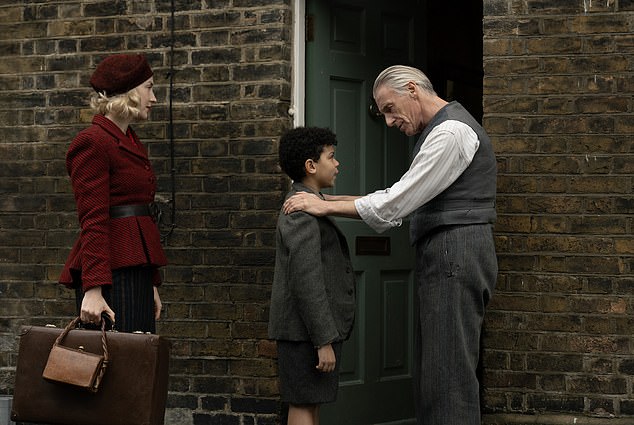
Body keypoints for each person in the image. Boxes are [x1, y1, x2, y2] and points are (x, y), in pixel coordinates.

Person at [283, 65, 497, 425]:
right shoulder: (438, 132)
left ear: (412, 89)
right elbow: (392, 196)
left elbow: (395, 202)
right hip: (448, 254)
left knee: (447, 378)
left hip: (455, 253)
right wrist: (326, 203)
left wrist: (323, 205)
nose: (388, 121)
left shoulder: (451, 133)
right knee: (435, 374)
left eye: (388, 108)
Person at [59, 53, 168, 334]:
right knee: (116, 370)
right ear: (130, 92)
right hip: (111, 276)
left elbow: (141, 217)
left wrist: (150, 283)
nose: (153, 98)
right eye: (149, 87)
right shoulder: (92, 142)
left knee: (140, 364)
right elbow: (93, 220)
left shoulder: (129, 139)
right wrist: (93, 289)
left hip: (135, 271)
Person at [268, 127, 356, 425]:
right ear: (311, 165)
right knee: (304, 406)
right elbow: (306, 281)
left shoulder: (312, 202)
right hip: (304, 333)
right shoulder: (300, 212)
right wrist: (323, 341)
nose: (337, 163)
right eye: (331, 157)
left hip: (307, 331)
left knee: (311, 404)